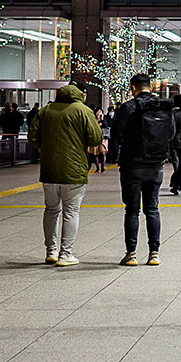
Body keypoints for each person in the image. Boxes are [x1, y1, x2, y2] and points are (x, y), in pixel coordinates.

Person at [34, 84, 102, 266]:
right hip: (74, 170)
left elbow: (33, 136)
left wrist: (46, 149)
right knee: (71, 211)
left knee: (51, 210)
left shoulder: (45, 110)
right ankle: (66, 254)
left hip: (49, 170)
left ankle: (51, 251)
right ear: (81, 95)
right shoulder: (83, 110)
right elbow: (95, 138)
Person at [110, 74, 175, 265]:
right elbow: (170, 133)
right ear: (150, 88)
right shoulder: (163, 107)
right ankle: (154, 253)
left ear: (133, 87)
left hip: (132, 165)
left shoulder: (128, 107)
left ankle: (131, 254)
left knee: (132, 210)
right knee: (152, 208)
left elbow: (116, 134)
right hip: (156, 165)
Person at [0, 100, 24, 164]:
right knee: (14, 139)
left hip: (10, 128)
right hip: (14, 129)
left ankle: (6, 148)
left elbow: (3, 120)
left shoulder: (8, 114)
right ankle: (15, 149)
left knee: (7, 137)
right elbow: (21, 121)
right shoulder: (15, 114)